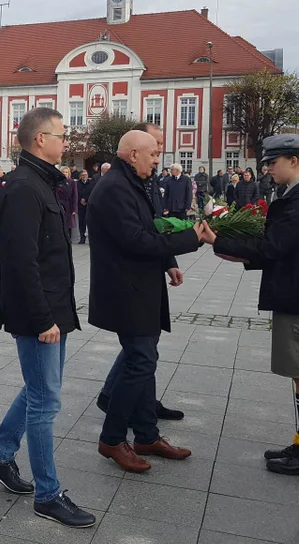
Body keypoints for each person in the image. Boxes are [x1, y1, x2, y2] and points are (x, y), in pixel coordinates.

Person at [0, 107, 96, 528]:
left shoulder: (43, 182)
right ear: (40, 140)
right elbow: (20, 262)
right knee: (46, 401)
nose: (67, 142)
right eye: (62, 135)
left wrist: (58, 315)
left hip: (53, 310)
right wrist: (44, 318)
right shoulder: (23, 188)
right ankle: (48, 495)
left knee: (38, 391)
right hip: (37, 314)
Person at [213, 135, 299, 477]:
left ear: (293, 160)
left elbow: (274, 247)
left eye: (272, 163)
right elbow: (282, 248)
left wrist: (218, 240)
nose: (268, 169)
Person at [88, 130, 210, 474]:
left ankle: (146, 435)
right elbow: (136, 240)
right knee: (141, 359)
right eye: (153, 154)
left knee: (145, 357)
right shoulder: (114, 188)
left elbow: (152, 229)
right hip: (125, 289)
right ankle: (112, 439)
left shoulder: (134, 182)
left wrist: (169, 260)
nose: (157, 159)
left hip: (140, 286)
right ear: (132, 155)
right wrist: (191, 238)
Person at [57, 167, 78, 241]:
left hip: (69, 205)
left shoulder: (72, 182)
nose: (64, 173)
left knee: (69, 224)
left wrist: (75, 208)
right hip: (60, 204)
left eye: (66, 172)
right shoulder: (58, 182)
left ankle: (68, 239)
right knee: (60, 222)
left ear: (69, 173)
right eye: (63, 172)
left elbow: (75, 195)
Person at [76, 169, 94, 244]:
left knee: (89, 221)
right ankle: (82, 237)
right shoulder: (77, 184)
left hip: (88, 204)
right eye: (83, 175)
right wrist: (80, 199)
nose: (84, 176)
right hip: (80, 205)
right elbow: (75, 193)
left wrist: (86, 200)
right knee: (81, 222)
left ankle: (91, 237)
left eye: (86, 175)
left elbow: (92, 193)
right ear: (80, 176)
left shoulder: (91, 183)